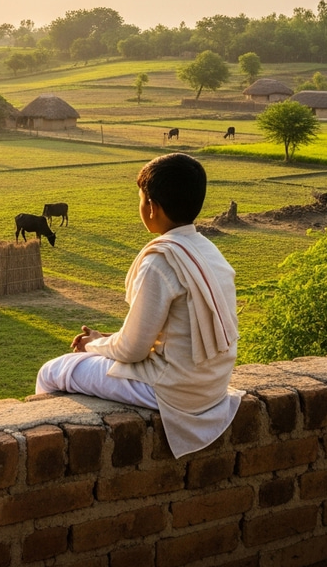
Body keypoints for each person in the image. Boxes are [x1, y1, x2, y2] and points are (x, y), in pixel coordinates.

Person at [35, 153, 244, 459]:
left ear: (152, 207)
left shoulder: (161, 262)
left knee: (53, 371)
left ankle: (51, 454)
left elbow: (132, 351)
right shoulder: (208, 251)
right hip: (210, 387)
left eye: (141, 198)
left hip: (173, 389)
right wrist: (103, 341)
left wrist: (94, 346)